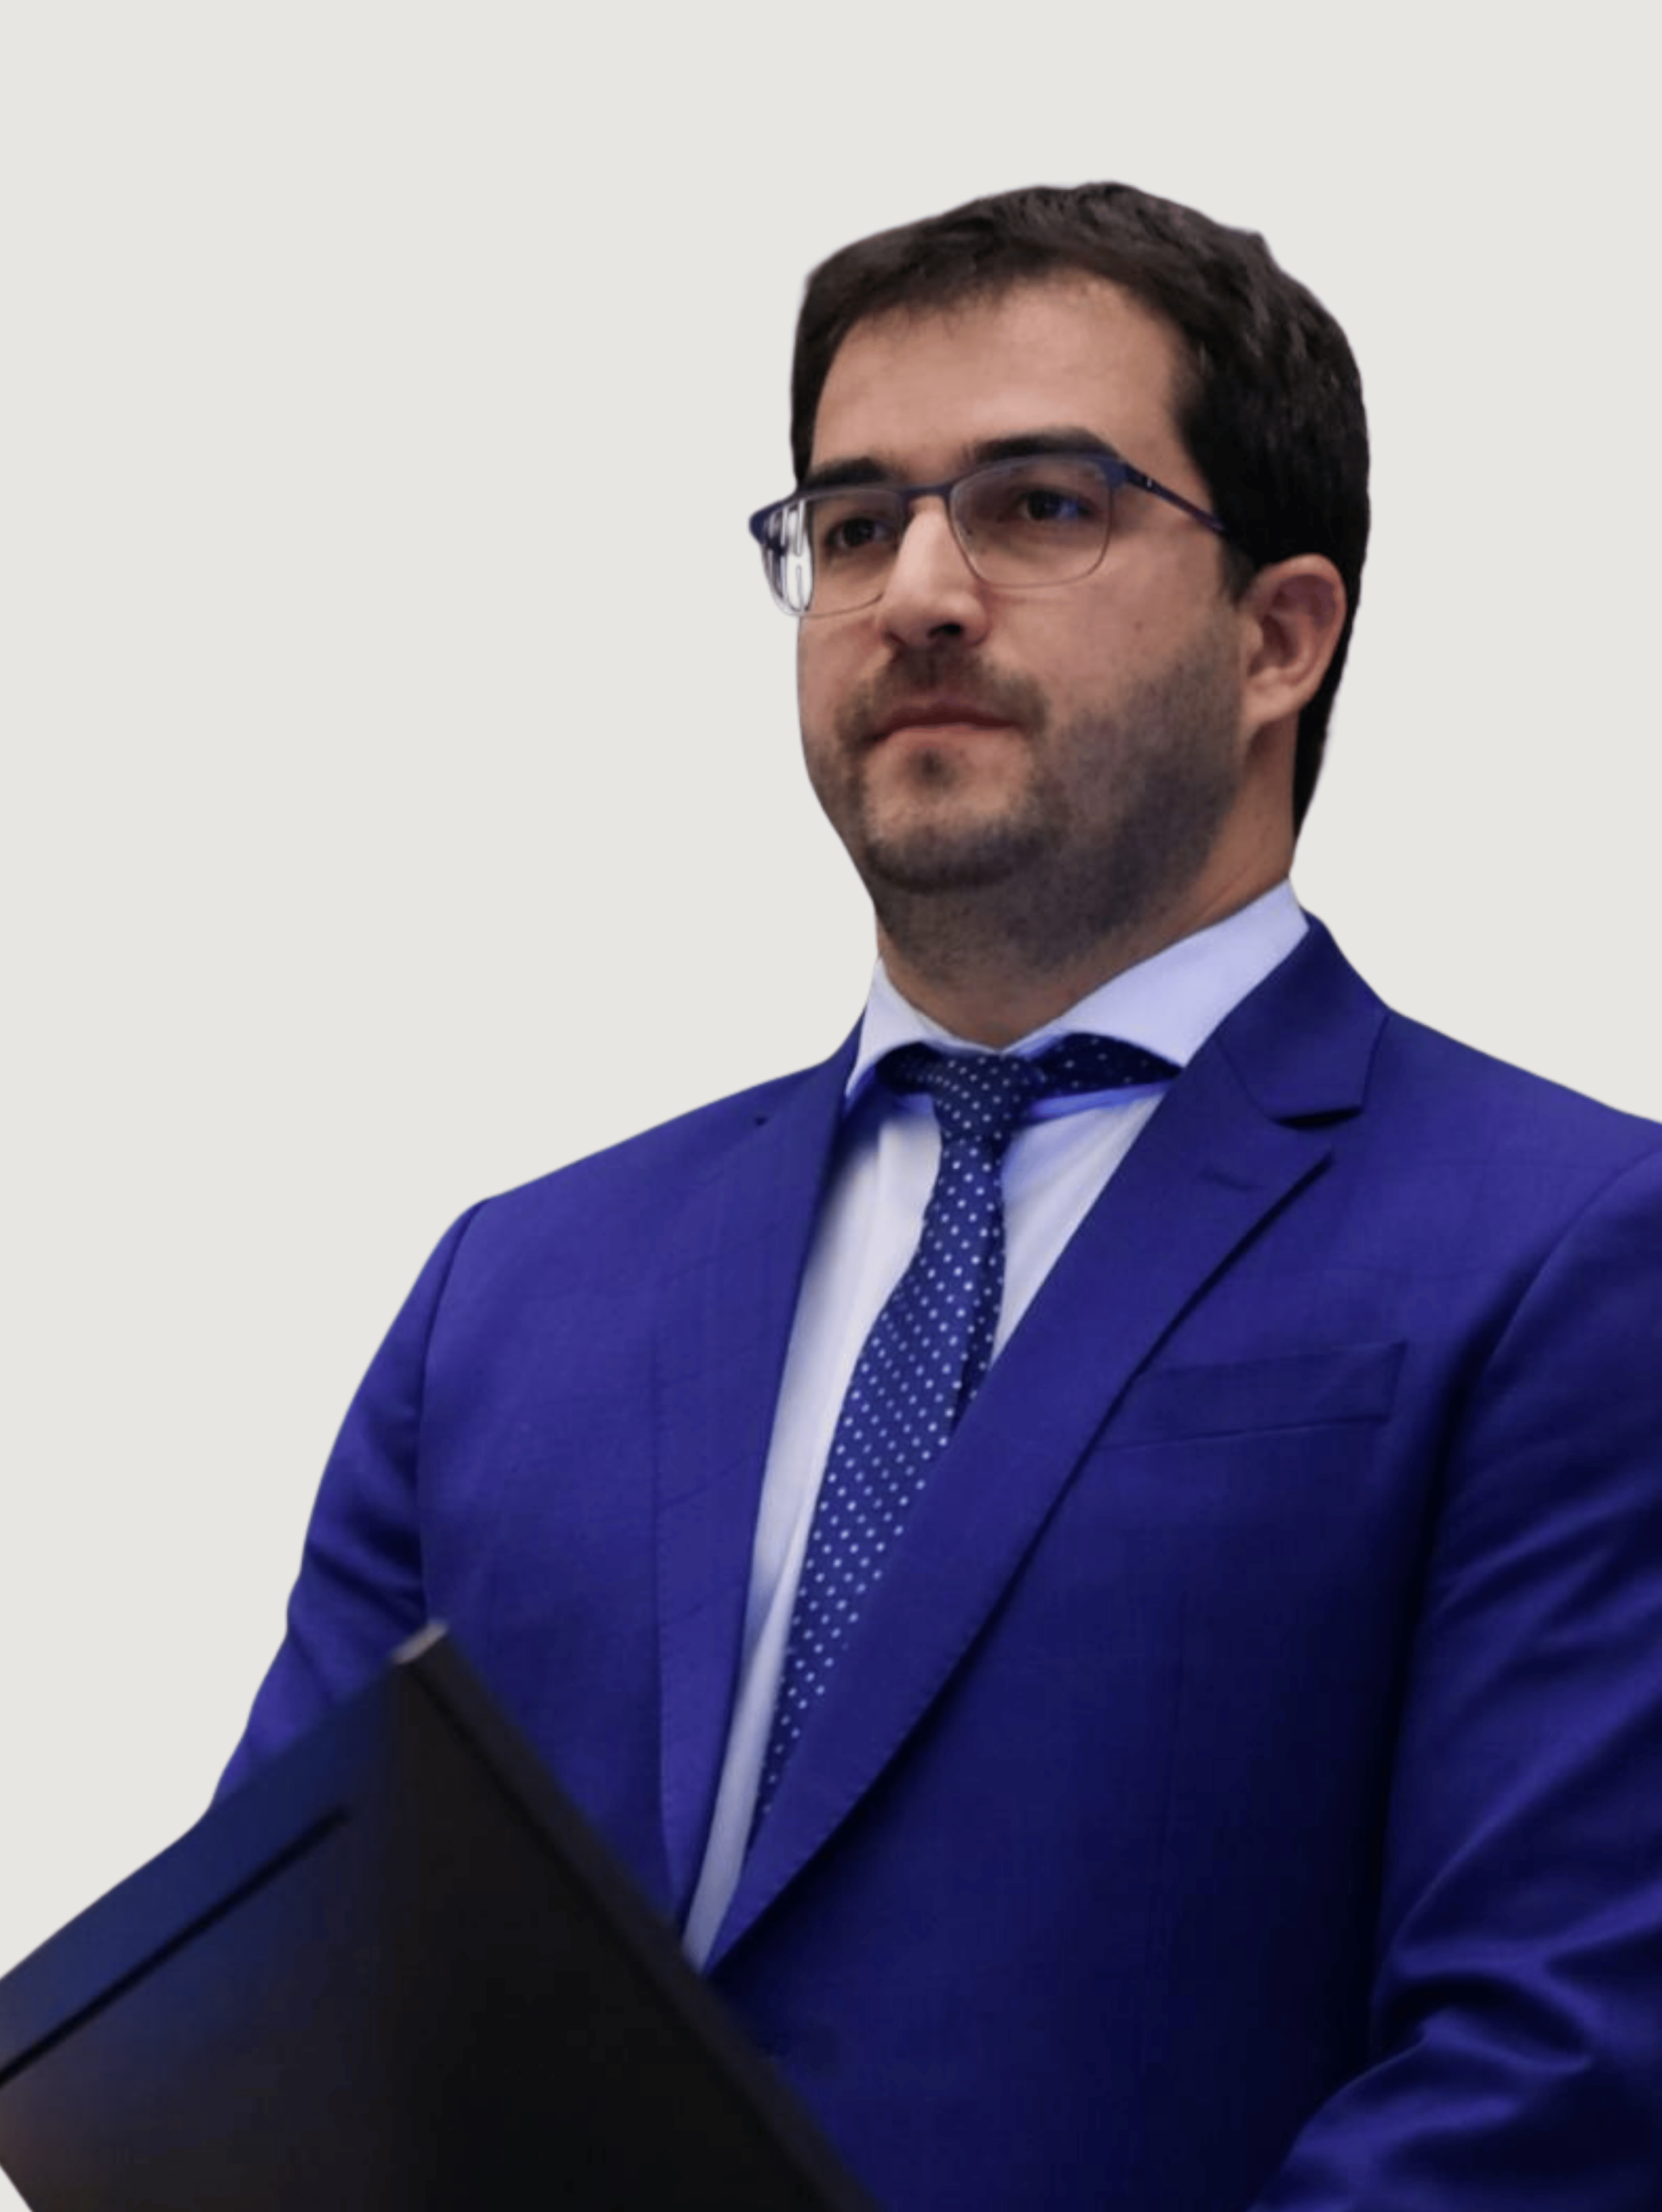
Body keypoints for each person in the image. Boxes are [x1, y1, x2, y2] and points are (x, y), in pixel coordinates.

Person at [219, 183, 1662, 2210]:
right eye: (849, 522)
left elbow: (1551, 2082)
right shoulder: (514, 1294)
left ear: (1276, 636)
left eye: (1037, 505)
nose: (913, 590)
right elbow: (276, 2016)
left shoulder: (1572, 1250)